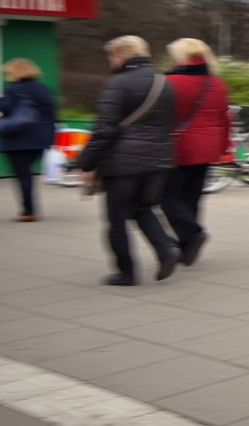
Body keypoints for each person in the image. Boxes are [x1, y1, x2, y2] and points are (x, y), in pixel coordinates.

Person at [77, 35, 180, 286]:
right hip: (158, 159)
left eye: (111, 56)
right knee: (144, 208)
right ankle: (166, 247)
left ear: (121, 56)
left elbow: (104, 129)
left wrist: (85, 162)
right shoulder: (163, 82)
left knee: (116, 219)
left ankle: (126, 273)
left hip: (122, 163)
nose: (111, 61)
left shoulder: (116, 84)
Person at [162, 38, 230, 266]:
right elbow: (224, 118)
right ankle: (188, 247)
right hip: (208, 147)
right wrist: (223, 148)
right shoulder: (217, 83)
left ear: (181, 57)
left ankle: (193, 234)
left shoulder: (170, 82)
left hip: (179, 147)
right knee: (192, 196)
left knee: (167, 196)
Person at [0, 59, 57, 221]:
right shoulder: (43, 89)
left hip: (17, 139)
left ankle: (29, 211)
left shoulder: (14, 89)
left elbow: (4, 107)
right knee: (27, 174)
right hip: (39, 140)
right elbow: (51, 116)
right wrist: (48, 138)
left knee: (23, 175)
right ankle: (30, 209)